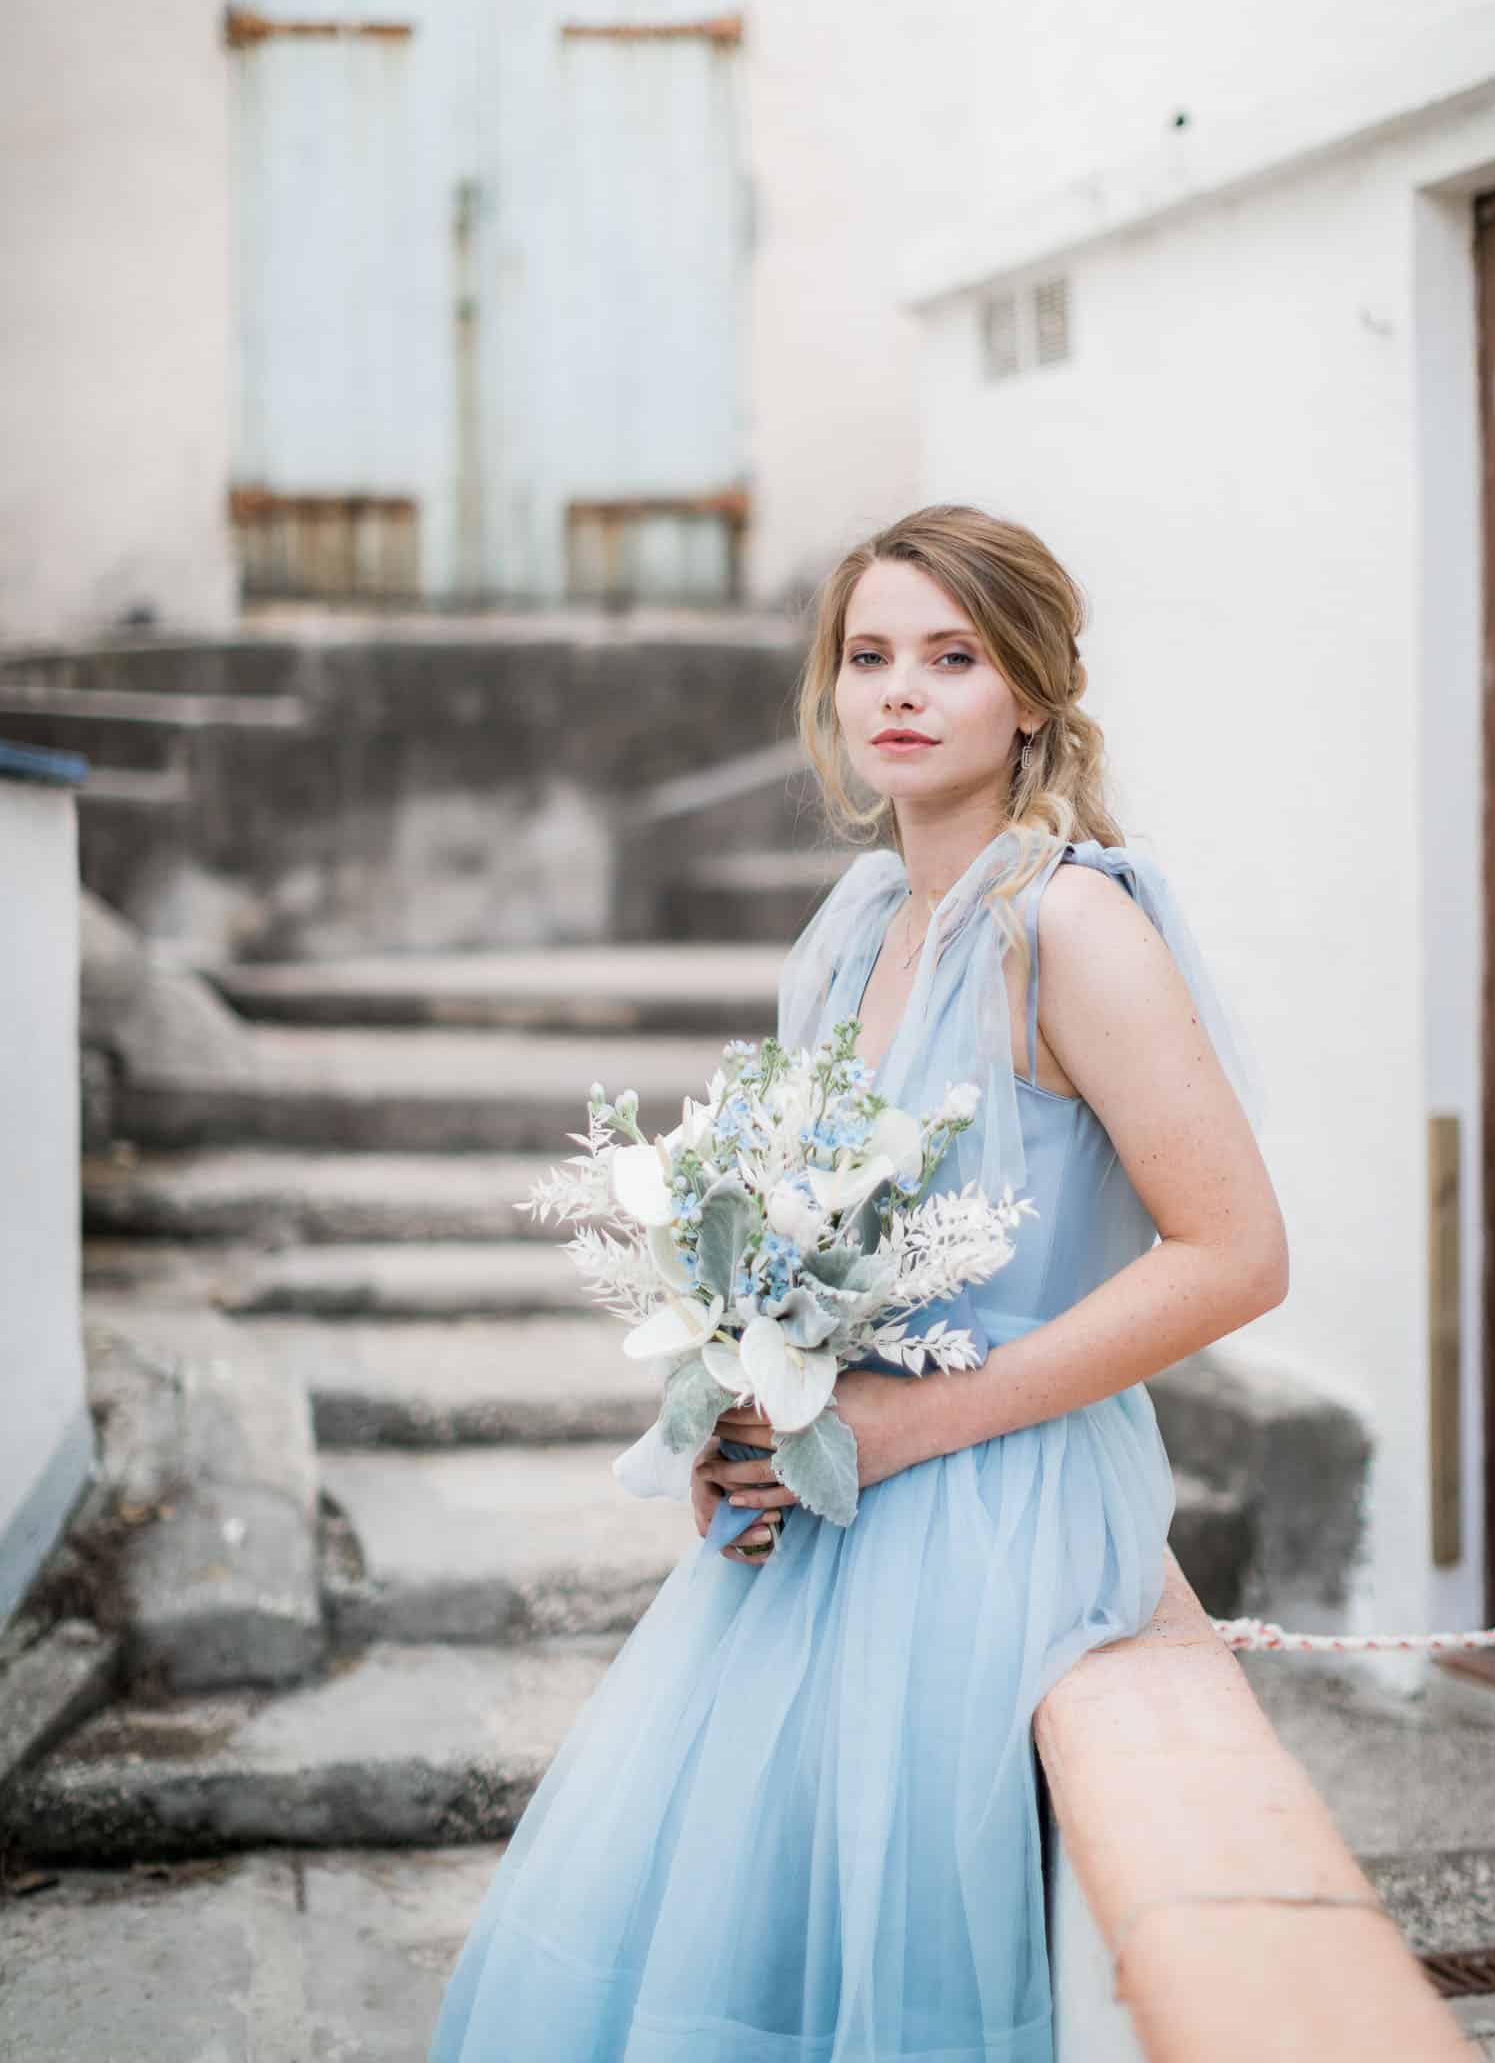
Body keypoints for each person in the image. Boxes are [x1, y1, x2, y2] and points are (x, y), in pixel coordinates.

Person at [428, 502, 1287, 2061]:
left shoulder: (1069, 928)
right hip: (832, 1494)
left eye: (952, 658)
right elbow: (802, 1232)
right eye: (869, 655)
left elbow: (1237, 1256)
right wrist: (751, 1409)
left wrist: (903, 1430)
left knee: (904, 1944)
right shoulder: (853, 927)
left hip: (996, 1500)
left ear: (1029, 694)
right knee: (750, 1914)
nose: (900, 689)